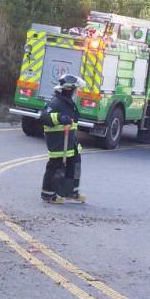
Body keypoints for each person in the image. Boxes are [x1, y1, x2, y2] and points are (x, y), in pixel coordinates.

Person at [40, 73, 85, 204]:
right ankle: (48, 194)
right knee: (54, 167)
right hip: (58, 142)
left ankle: (70, 192)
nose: (75, 92)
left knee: (74, 163)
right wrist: (59, 118)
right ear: (69, 89)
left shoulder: (67, 102)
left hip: (69, 142)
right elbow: (44, 117)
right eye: (75, 89)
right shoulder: (56, 103)